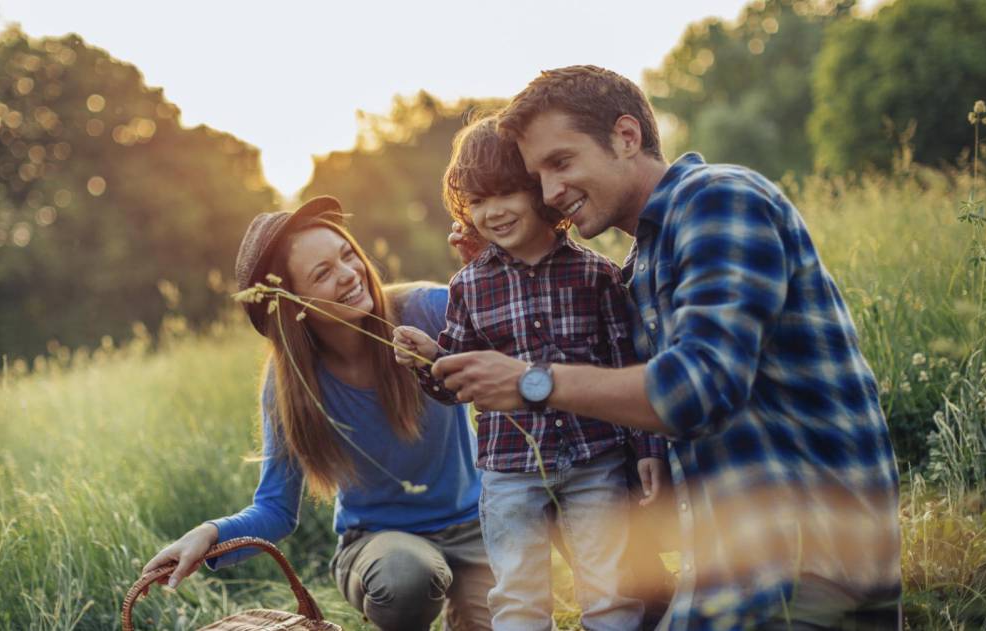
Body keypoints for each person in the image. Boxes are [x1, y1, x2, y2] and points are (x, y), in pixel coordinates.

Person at [434, 66, 903, 630]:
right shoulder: (640, 264)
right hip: (727, 570)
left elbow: (698, 386)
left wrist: (532, 380)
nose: (551, 192)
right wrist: (496, 275)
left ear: (626, 137)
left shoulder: (720, 200)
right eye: (537, 177)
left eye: (561, 163)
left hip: (808, 566)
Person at [141, 196, 493, 631]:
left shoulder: (428, 309)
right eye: (322, 273)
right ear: (295, 305)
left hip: (478, 526)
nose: (349, 275)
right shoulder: (292, 386)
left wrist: (490, 262)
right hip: (382, 545)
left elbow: (516, 339)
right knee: (406, 576)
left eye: (347, 255)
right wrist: (209, 534)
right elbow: (275, 510)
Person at [393, 116, 667, 631]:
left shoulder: (595, 275)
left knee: (610, 589)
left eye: (505, 194)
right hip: (509, 468)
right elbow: (456, 384)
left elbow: (626, 367)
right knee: (518, 594)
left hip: (595, 458)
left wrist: (647, 450)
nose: (492, 212)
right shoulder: (469, 287)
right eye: (477, 201)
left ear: (540, 191)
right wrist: (430, 359)